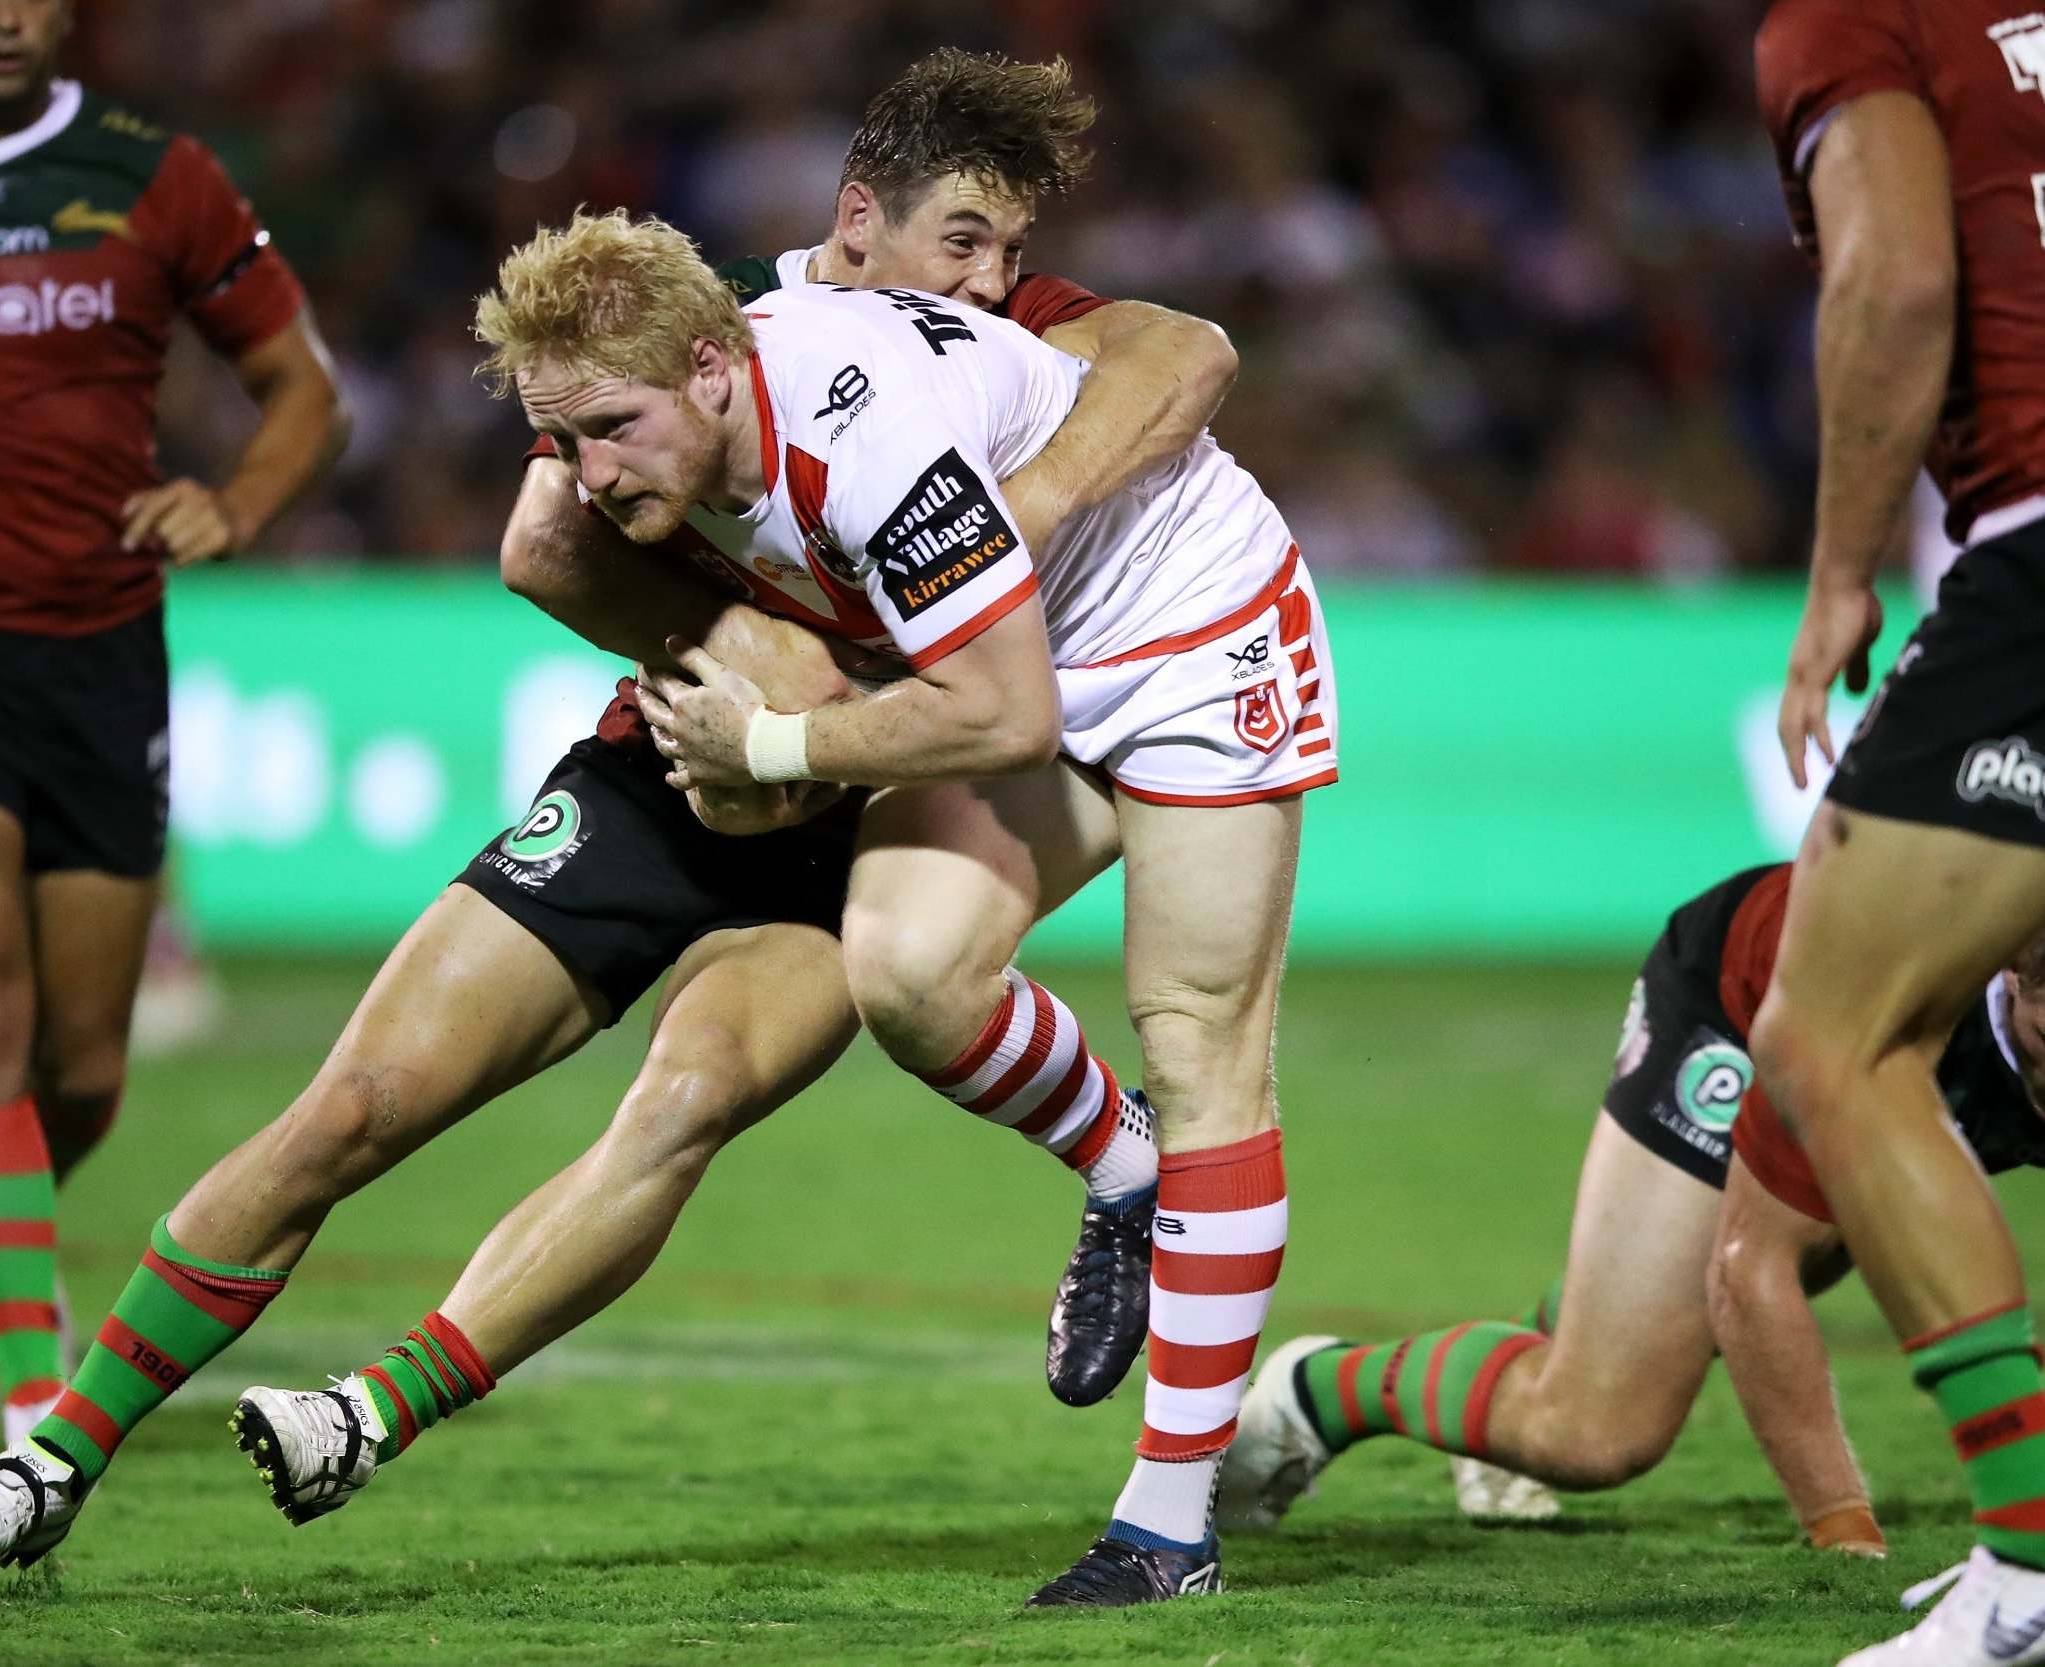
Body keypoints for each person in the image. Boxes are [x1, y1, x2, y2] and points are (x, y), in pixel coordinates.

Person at [0, 52, 1241, 1582]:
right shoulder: (686, 317)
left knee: (684, 1098)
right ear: (854, 223)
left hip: (875, 809)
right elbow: (546, 538)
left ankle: (369, 1414)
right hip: (665, 763)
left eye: (1010, 248)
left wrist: (1021, 517)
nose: (998, 280)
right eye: (965, 243)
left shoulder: (992, 338)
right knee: (353, 1106)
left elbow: (1185, 350)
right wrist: (742, 652)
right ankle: (49, 1457)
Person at [488, 204, 1333, 1605]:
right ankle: (1119, 1162)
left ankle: (1167, 1527)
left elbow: (996, 713)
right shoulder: (699, 421)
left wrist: (772, 748)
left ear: (710, 367)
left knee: (1199, 1043)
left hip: (1191, 627)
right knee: (902, 968)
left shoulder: (855, 442)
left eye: (611, 426)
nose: (586, 471)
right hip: (1035, 640)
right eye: (561, 439)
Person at [0, 0, 344, 1450]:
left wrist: (236, 502)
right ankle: (31, 1392)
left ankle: (2, 1228)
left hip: (101, 651)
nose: (2, 14)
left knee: (84, 1065)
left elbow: (305, 389)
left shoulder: (155, 175)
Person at [1220, 863, 2045, 1563]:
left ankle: (1563, 1338)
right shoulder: (1879, 1012)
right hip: (1741, 1002)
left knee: (1787, 1254)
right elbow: (1752, 1272)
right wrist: (1847, 1541)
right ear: (2013, 966)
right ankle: (1314, 1393)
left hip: (1873, 1021)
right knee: (1596, 1428)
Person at [1745, 3, 2045, 1658]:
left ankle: (2028, 1572)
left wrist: (1841, 568)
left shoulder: (1847, 18)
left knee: (1835, 1031)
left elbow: (1898, 279)